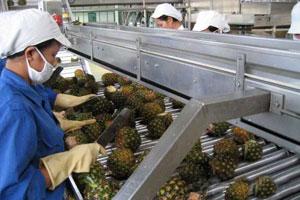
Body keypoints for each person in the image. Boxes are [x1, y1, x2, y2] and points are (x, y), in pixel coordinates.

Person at [0, 9, 105, 199]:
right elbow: (11, 193)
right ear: (30, 53)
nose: (55, 62)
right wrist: (64, 164)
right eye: (52, 55)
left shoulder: (26, 86)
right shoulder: (15, 109)